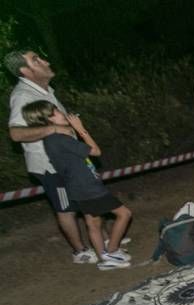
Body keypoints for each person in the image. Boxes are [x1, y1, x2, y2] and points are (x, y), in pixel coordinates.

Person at [5, 50, 95, 264]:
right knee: (65, 208)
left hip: (68, 158)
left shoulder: (46, 90)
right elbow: (15, 133)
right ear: (25, 71)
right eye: (36, 60)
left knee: (88, 196)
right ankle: (80, 251)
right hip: (50, 165)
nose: (45, 61)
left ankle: (99, 238)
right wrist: (52, 129)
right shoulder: (23, 96)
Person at [21, 101, 133, 270]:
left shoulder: (50, 140)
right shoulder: (59, 139)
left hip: (77, 187)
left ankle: (106, 258)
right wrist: (81, 129)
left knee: (93, 222)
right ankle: (112, 251)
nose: (63, 113)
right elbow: (95, 151)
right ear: (47, 119)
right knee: (124, 214)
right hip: (87, 187)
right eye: (57, 111)